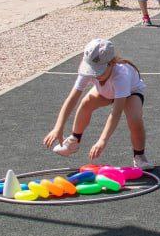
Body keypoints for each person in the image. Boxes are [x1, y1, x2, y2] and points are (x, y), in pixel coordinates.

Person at [44, 38, 150, 168]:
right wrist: (58, 127)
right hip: (106, 91)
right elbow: (72, 98)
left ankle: (139, 156)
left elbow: (115, 113)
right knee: (86, 103)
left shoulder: (121, 75)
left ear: (111, 63)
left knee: (134, 119)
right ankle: (74, 140)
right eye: (92, 70)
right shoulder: (88, 70)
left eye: (99, 71)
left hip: (131, 93)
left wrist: (102, 140)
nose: (94, 74)